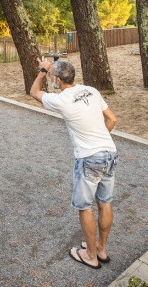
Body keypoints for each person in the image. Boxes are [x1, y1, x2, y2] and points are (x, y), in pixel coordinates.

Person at [30, 58, 117, 269]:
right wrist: (99, 142)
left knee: (84, 207)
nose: (52, 79)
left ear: (58, 80)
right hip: (109, 152)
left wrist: (43, 70)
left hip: (89, 158)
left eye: (53, 76)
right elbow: (112, 120)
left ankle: (90, 255)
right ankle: (101, 249)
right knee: (104, 202)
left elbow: (34, 92)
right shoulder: (92, 91)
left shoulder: (60, 100)